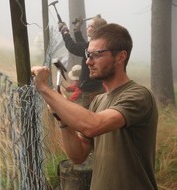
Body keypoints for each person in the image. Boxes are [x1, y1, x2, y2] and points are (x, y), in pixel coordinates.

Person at [32, 23, 158, 190]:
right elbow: (78, 155)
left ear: (121, 57)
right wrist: (61, 117)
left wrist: (44, 88)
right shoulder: (98, 101)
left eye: (97, 55)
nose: (88, 61)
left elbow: (93, 125)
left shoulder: (139, 95)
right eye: (88, 54)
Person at [59, 16, 107, 108]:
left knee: (88, 117)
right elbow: (83, 47)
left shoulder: (92, 47)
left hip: (90, 92)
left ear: (97, 30)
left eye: (90, 26)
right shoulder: (99, 45)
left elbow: (73, 47)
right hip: (95, 88)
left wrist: (64, 31)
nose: (87, 27)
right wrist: (77, 30)